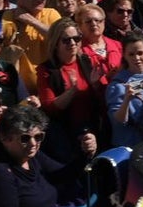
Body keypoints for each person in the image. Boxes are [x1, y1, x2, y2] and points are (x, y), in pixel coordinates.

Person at [35, 18, 105, 160]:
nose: (73, 43)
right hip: (65, 133)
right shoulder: (47, 70)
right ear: (56, 44)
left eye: (76, 38)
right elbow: (49, 107)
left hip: (92, 128)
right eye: (66, 40)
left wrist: (96, 85)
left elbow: (101, 98)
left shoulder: (86, 60)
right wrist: (72, 91)